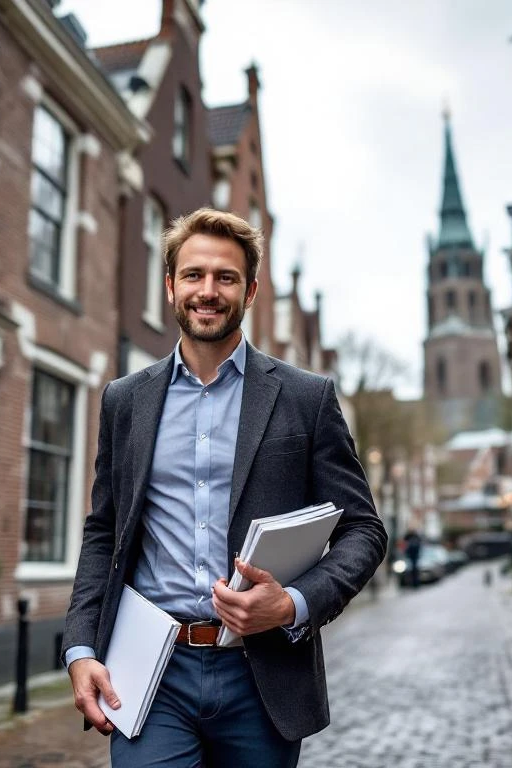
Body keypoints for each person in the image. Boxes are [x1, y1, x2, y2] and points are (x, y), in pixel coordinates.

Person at [62, 208, 387, 768]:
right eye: (193, 275)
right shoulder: (125, 401)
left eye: (225, 277)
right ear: (170, 285)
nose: (207, 291)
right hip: (152, 674)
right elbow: (103, 532)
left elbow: (363, 529)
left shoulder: (306, 398)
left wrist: (292, 604)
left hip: (263, 678)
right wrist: (81, 649)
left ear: (252, 289)